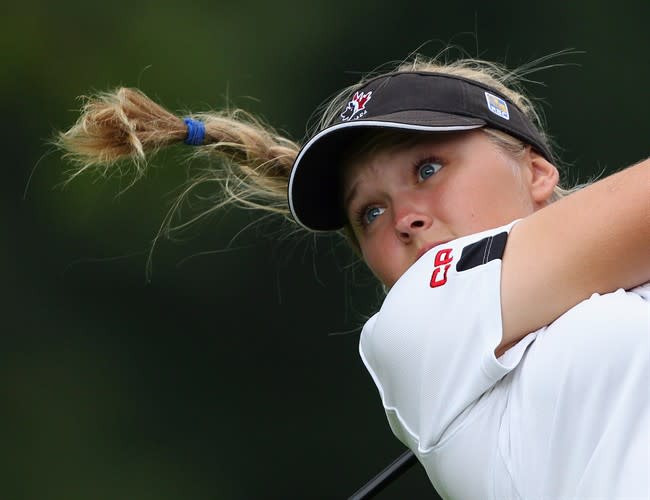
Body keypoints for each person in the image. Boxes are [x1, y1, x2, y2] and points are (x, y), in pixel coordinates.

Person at [57, 55, 649, 499]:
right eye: (370, 213)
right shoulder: (420, 321)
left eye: (427, 167)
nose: (404, 220)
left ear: (538, 171)